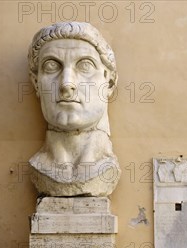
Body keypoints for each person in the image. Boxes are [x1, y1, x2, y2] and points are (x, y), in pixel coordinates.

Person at [28, 22, 120, 197]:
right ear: (36, 83)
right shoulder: (39, 166)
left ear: (109, 82)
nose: (66, 84)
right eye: (51, 66)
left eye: (85, 65)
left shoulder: (105, 169)